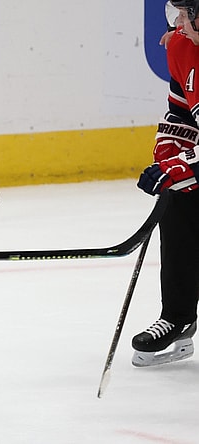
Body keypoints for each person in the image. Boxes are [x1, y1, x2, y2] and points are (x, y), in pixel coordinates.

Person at [132, 0, 199, 368]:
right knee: (179, 202)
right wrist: (169, 154)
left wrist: (184, 167)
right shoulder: (181, 45)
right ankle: (178, 315)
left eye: (187, 14)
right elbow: (180, 114)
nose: (178, 23)